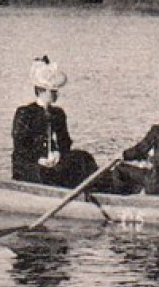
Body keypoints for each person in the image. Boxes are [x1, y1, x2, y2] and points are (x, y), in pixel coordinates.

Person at [11, 56, 100, 188]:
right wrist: (39, 160)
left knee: (83, 158)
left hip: (53, 161)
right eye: (52, 92)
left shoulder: (58, 113)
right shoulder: (25, 113)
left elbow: (65, 142)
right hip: (30, 165)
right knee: (44, 173)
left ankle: (95, 187)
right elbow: (20, 147)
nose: (56, 95)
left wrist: (58, 154)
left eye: (56, 91)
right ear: (41, 91)